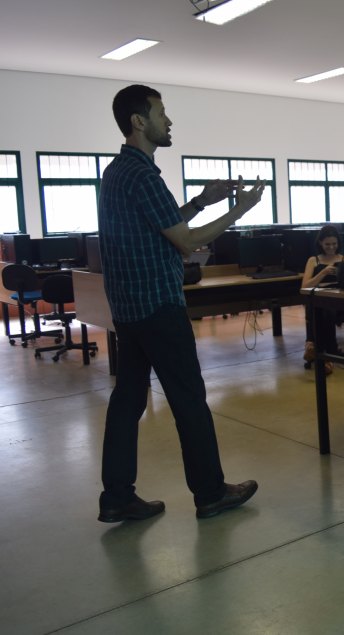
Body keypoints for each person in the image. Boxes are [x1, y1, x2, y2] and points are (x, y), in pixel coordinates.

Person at [97, 84, 260, 523]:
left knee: (128, 400)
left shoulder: (117, 172)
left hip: (129, 309)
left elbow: (163, 225)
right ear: (139, 121)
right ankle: (210, 493)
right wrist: (240, 210)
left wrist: (203, 200)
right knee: (189, 399)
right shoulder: (144, 176)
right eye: (161, 113)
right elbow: (186, 242)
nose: (168, 121)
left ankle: (117, 496)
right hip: (158, 307)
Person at [301, 225, 344, 372]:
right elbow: (304, 287)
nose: (331, 247)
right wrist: (323, 273)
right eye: (327, 244)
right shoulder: (313, 260)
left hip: (340, 302)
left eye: (334, 244)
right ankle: (327, 352)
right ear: (320, 243)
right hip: (320, 302)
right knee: (320, 308)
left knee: (322, 309)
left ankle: (316, 348)